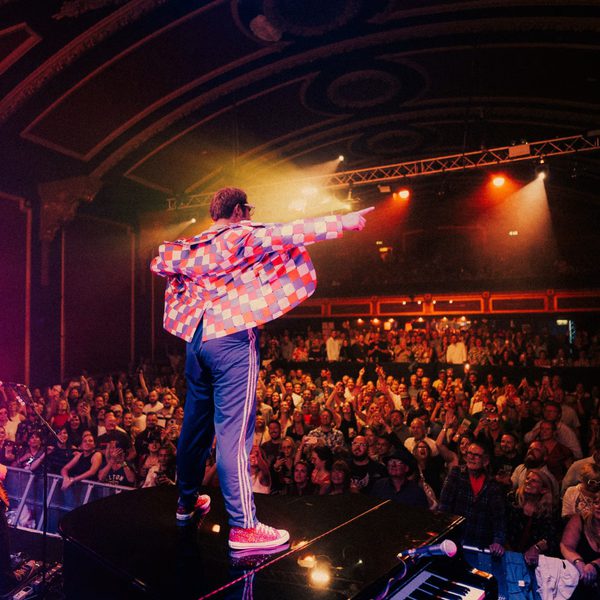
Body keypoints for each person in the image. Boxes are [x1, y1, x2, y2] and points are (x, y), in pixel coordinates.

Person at [150, 186, 372, 550]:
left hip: (196, 342)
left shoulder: (193, 245)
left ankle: (185, 503)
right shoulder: (240, 235)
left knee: (195, 428)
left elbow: (158, 262)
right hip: (232, 341)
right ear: (238, 210)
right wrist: (344, 222)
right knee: (235, 437)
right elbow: (291, 232)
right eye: (248, 211)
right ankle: (244, 527)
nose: (250, 216)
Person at [439, 441, 506, 556]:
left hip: (480, 543)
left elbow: (498, 517)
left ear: (485, 461)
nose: (470, 457)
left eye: (476, 455)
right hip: (455, 539)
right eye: (469, 453)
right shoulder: (456, 474)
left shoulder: (492, 484)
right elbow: (444, 507)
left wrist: (498, 541)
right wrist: (443, 535)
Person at [560, 496, 600, 598]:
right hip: (577, 575)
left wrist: (595, 565)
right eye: (596, 503)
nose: (598, 507)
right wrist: (578, 561)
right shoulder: (580, 519)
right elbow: (566, 545)